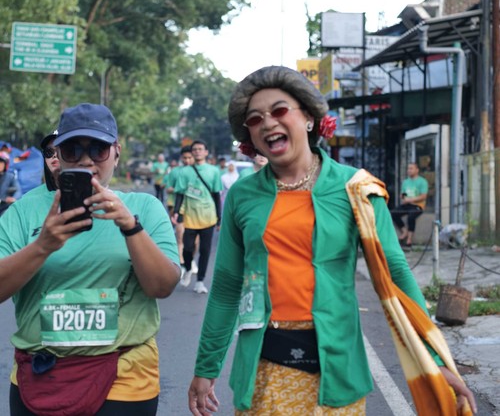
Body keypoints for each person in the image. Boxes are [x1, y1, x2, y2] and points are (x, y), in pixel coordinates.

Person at [187, 66, 476, 416]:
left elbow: (395, 273)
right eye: (255, 119)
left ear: (309, 118)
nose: (267, 123)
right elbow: (227, 286)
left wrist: (435, 360)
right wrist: (206, 367)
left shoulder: (357, 188)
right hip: (264, 372)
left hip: (337, 372)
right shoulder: (242, 195)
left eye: (279, 111)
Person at [0, 103, 180, 416]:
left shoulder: (144, 207)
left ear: (116, 153)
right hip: (40, 376)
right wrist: (43, 246)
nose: (86, 160)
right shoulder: (23, 211)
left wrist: (130, 226)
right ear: (57, 155)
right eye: (72, 150)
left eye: (98, 149)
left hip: (125, 377)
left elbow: (162, 286)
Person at [171, 140, 222, 294]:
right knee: (187, 248)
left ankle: (200, 281)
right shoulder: (184, 172)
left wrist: (219, 217)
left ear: (206, 152)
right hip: (190, 216)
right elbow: (180, 193)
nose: (198, 151)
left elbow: (216, 195)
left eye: (200, 149)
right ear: (192, 152)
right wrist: (176, 212)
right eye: (195, 149)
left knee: (205, 250)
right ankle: (187, 268)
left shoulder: (214, 171)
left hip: (208, 216)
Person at [165, 145, 194, 266]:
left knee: (194, 239)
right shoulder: (175, 172)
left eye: (189, 158)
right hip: (175, 205)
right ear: (181, 158)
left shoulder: (198, 172)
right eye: (184, 158)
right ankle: (180, 260)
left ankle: (190, 260)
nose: (187, 160)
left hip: (194, 208)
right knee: (180, 235)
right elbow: (168, 189)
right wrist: (180, 189)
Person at [391, 162, 429, 247]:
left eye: (411, 168)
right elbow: (403, 194)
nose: (409, 170)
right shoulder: (406, 182)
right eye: (408, 168)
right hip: (407, 204)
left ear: (417, 170)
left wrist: (411, 200)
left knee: (411, 217)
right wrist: (403, 197)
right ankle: (404, 231)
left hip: (418, 206)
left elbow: (423, 196)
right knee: (394, 213)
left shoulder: (422, 181)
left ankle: (409, 239)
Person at [0, 151, 22, 217]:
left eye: (1, 162)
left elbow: (18, 190)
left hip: (4, 207)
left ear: (5, 165)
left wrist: (13, 198)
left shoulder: (10, 177)